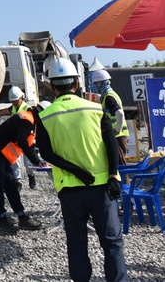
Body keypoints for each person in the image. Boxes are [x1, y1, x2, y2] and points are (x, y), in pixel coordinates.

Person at [36, 57, 127, 282]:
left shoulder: (45, 116)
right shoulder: (96, 109)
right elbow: (111, 144)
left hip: (70, 189)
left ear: (52, 86)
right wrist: (114, 175)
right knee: (112, 243)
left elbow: (46, 154)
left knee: (77, 245)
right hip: (103, 187)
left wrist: (75, 171)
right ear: (76, 84)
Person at [0, 105, 44, 234]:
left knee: (11, 184)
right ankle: (1, 219)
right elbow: (22, 141)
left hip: (1, 155)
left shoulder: (31, 122)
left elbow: (30, 145)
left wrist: (38, 160)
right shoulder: (27, 121)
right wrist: (36, 160)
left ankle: (22, 216)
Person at [0, 85, 38, 189]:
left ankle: (31, 176)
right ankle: (17, 181)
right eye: (13, 101)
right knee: (15, 161)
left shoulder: (27, 108)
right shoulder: (14, 107)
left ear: (21, 98)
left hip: (27, 139)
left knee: (28, 162)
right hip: (16, 140)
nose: (14, 103)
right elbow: (8, 110)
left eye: (16, 100)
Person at [89, 59, 129, 164]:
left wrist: (118, 129)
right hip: (120, 136)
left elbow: (119, 113)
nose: (95, 87)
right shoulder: (111, 94)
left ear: (100, 84)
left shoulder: (108, 97)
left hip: (117, 136)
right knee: (119, 165)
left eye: (96, 84)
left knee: (119, 166)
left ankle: (125, 182)